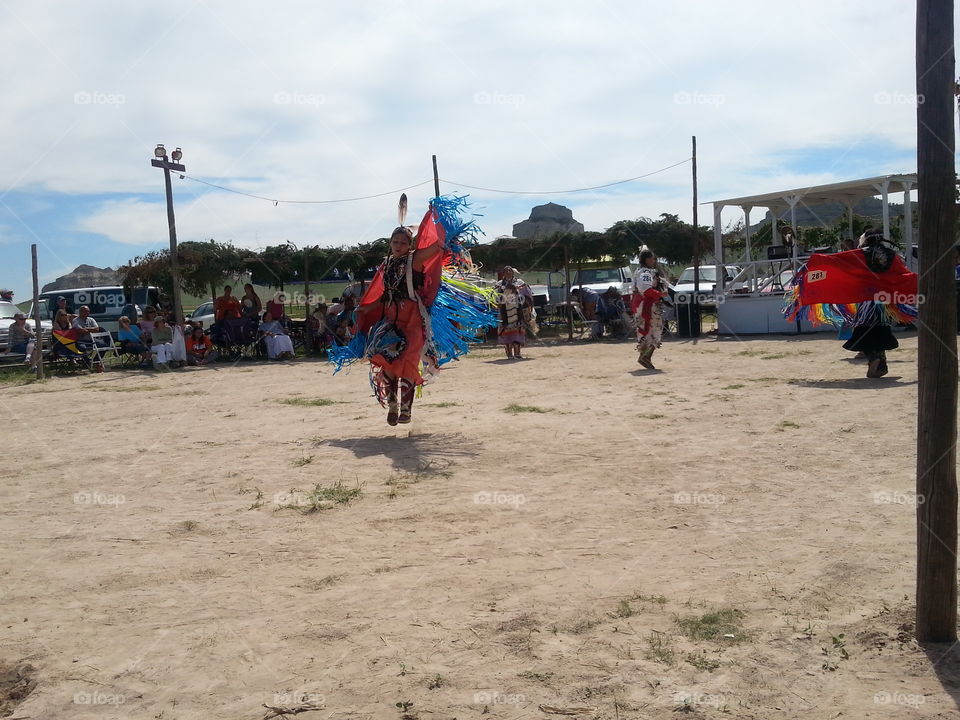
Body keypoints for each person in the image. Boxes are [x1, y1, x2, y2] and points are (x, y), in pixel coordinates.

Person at [353, 223, 445, 424]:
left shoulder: (415, 259)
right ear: (390, 242)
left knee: (409, 360)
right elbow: (384, 294)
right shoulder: (386, 264)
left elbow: (438, 246)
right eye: (395, 241)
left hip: (413, 317)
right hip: (391, 318)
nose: (399, 245)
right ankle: (393, 406)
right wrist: (367, 308)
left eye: (403, 242)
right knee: (387, 361)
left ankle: (406, 409)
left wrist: (437, 219)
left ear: (410, 245)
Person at [841, 231, 901, 377]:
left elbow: (844, 267)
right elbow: (899, 273)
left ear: (865, 241)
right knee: (881, 332)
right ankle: (881, 366)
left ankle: (874, 359)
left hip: (867, 300)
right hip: (885, 300)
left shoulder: (860, 254)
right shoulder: (890, 254)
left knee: (863, 332)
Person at [633, 249, 671, 369]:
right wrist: (661, 294)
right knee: (653, 331)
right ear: (647, 259)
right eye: (653, 258)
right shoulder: (645, 273)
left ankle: (646, 357)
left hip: (644, 305)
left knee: (649, 330)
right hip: (647, 305)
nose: (654, 261)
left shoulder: (641, 271)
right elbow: (646, 290)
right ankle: (644, 356)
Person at [495, 266, 534, 359]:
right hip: (504, 312)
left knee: (518, 330)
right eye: (506, 271)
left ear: (513, 272)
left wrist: (517, 291)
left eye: (510, 270)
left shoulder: (520, 282)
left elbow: (528, 294)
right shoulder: (499, 284)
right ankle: (509, 353)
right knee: (506, 331)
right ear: (503, 273)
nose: (508, 272)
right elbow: (495, 296)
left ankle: (517, 352)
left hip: (518, 311)